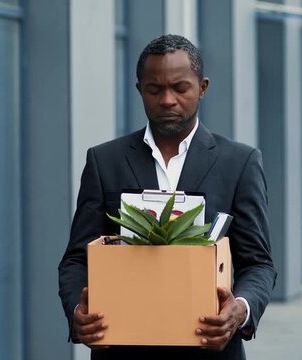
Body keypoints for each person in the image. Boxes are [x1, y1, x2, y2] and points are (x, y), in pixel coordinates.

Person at [58, 34, 276, 360]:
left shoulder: (239, 163)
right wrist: (78, 311)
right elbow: (77, 258)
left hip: (210, 349)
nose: (167, 100)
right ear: (139, 90)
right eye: (155, 89)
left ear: (202, 88)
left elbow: (258, 263)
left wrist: (239, 311)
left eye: (180, 88)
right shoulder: (105, 162)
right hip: (122, 349)